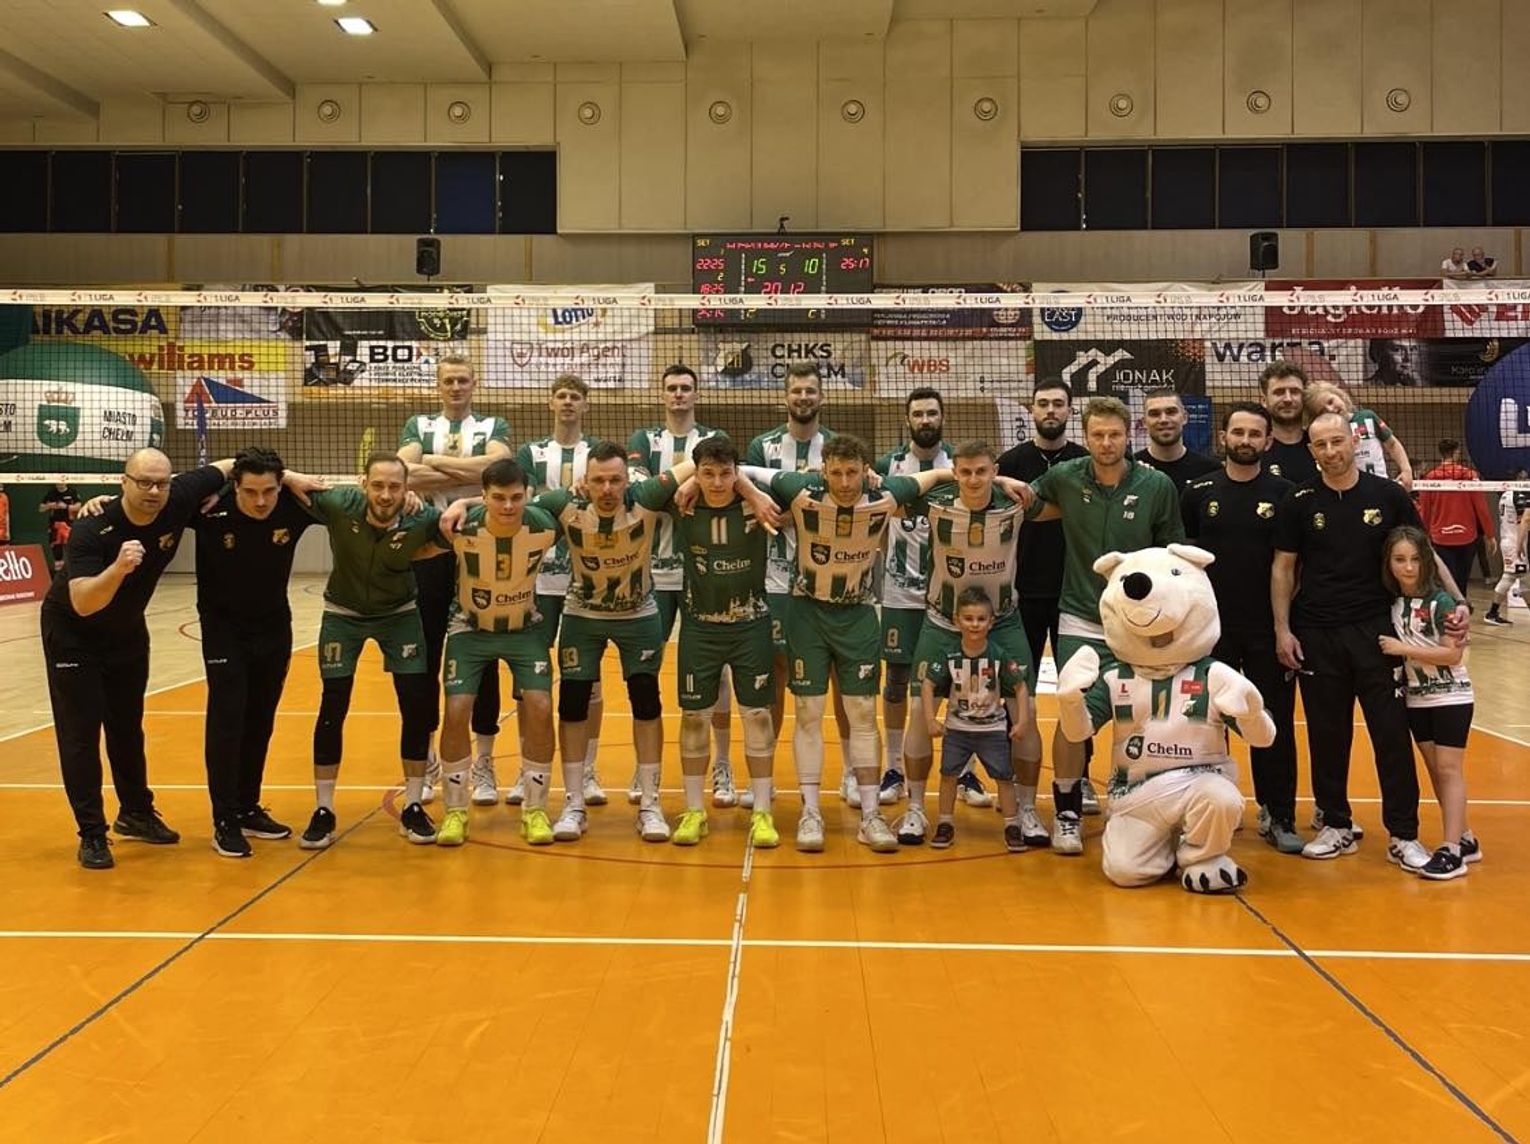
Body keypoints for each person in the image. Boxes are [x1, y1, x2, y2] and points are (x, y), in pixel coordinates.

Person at [1271, 412, 1466, 869]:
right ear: (1311, 451)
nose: (1330, 451)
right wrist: (1283, 629)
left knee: (1391, 737)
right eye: (1321, 445)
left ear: (1353, 442)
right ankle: (1336, 824)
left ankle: (1403, 834)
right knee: (1327, 734)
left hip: (1379, 633)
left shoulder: (1387, 495)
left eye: (1337, 441)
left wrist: (1459, 601)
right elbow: (1283, 567)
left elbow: (1423, 552)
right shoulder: (1299, 500)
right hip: (1317, 633)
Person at [743, 436, 950, 853]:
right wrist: (751, 495)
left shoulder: (885, 494)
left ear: (865, 470)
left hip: (858, 615)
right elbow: (742, 470)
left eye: (852, 472)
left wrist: (1002, 479)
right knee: (808, 713)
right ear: (823, 471)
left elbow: (938, 476)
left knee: (862, 713)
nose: (843, 482)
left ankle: (871, 815)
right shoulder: (799, 489)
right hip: (807, 615)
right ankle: (811, 812)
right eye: (835, 472)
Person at [41, 449, 245, 869]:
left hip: (127, 632)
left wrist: (291, 478)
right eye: (144, 482)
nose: (154, 491)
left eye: (162, 483)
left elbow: (233, 465)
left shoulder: (177, 498)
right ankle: (92, 833)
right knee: (81, 734)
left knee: (127, 727)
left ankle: (135, 813)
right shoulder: (93, 527)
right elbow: (83, 602)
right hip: (74, 634)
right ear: (124, 482)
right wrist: (118, 569)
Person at [1023, 396, 1184, 854]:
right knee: (1073, 714)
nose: (1107, 442)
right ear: (1086, 436)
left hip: (1138, 625)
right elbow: (1028, 501)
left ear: (1128, 435)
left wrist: (1167, 625)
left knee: (1143, 718)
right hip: (1080, 618)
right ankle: (1067, 813)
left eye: (1115, 434)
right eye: (1098, 435)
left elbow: (1172, 557)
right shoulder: (1066, 477)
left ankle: (1139, 806)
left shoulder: (1156, 486)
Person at [893, 441, 1042, 847]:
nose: (974, 479)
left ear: (994, 471)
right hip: (942, 623)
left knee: (1026, 711)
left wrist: (1009, 483)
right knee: (919, 713)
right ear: (955, 472)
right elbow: (892, 492)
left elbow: (1058, 503)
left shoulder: (1016, 502)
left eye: (982, 471)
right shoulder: (936, 502)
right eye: (965, 472)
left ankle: (1027, 809)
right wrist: (942, 475)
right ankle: (916, 809)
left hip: (1003, 622)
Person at [539, 441, 687, 844]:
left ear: (627, 480)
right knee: (572, 705)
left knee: (646, 702)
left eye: (615, 480)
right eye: (599, 480)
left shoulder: (646, 497)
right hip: (581, 615)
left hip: (638, 614)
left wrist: (702, 484)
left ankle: (650, 803)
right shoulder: (562, 503)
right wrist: (462, 504)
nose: (607, 489)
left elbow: (697, 460)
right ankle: (573, 804)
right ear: (584, 482)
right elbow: (510, 503)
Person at [299, 453, 447, 851]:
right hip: (342, 614)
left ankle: (413, 804)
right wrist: (292, 475)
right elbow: (285, 485)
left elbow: (455, 528)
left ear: (407, 489)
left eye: (395, 487)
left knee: (415, 705)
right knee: (333, 705)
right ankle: (324, 809)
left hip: (399, 615)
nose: (385, 495)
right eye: (378, 485)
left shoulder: (421, 518)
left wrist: (461, 505)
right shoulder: (339, 504)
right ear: (363, 484)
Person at [650, 436, 783, 848]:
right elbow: (643, 488)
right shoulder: (681, 502)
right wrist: (690, 478)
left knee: (758, 715)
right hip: (699, 628)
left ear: (736, 472)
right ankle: (694, 811)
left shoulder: (760, 502)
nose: (718, 482)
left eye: (726, 474)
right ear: (696, 473)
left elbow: (799, 482)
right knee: (694, 717)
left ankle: (762, 812)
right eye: (708, 474)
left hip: (751, 626)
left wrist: (749, 488)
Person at [188, 448, 320, 858]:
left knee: (261, 719)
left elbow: (355, 502)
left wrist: (292, 478)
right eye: (250, 492)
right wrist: (101, 502)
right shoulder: (210, 508)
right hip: (224, 632)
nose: (261, 501)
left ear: (280, 486)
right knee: (227, 720)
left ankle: (247, 806)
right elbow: (161, 497)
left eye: (269, 491)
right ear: (235, 486)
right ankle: (224, 819)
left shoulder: (294, 506)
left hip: (274, 629)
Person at [1181, 403, 1300, 852]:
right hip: (1210, 633)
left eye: (1254, 434)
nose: (1245, 440)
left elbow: (1291, 565)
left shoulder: (1286, 494)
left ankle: (1278, 812)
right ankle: (1215, 808)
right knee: (1207, 723)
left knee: (1272, 722)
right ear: (1223, 437)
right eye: (1238, 432)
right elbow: (1184, 561)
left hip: (1266, 630)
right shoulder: (1198, 492)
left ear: (1268, 441)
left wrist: (1284, 627)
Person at [398, 353, 513, 807]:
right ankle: (426, 758)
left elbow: (497, 471)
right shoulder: (418, 424)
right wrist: (469, 469)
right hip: (428, 550)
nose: (456, 387)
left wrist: (432, 464)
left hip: (478, 547)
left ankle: (484, 762)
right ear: (439, 384)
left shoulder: (492, 426)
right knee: (425, 654)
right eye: (449, 380)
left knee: (483, 651)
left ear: (474, 383)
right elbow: (404, 473)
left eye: (463, 380)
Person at [432, 459, 563, 847]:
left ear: (528, 495)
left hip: (524, 629)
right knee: (457, 710)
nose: (508, 506)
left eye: (516, 498)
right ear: (484, 496)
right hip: (470, 628)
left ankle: (535, 809)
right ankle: (456, 811)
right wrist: (461, 504)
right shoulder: (460, 526)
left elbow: (579, 495)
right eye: (499, 498)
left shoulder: (543, 523)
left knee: (540, 706)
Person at [744, 362, 854, 804]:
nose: (804, 397)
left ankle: (851, 773)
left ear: (821, 396)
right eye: (797, 390)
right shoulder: (764, 446)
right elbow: (751, 499)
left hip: (828, 577)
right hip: (775, 578)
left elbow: (845, 502)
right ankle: (764, 780)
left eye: (811, 390)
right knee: (775, 672)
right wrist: (790, 513)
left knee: (839, 674)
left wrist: (792, 514)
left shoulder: (837, 447)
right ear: (785, 396)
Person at [626, 363, 733, 807]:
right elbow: (643, 495)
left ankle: (723, 766)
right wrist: (688, 487)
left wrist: (675, 490)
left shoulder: (715, 439)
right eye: (671, 388)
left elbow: (719, 493)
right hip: (653, 573)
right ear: (662, 394)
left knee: (717, 671)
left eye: (686, 388)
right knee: (645, 671)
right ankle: (644, 767)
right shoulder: (642, 440)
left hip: (704, 572)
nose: (678, 394)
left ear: (696, 394)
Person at [997, 380, 1090, 816]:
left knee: (1078, 690)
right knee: (1017, 691)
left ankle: (1080, 778)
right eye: (1043, 404)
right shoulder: (1011, 463)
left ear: (1070, 411)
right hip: (1022, 593)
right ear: (1031, 410)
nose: (1050, 410)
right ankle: (1011, 775)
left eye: (1058, 404)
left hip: (1074, 593)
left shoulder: (1085, 462)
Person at [512, 374, 605, 808]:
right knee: (528, 679)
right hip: (538, 579)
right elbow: (526, 507)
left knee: (588, 678)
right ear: (551, 403)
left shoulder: (597, 453)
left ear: (586, 404)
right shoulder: (530, 453)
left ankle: (587, 770)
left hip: (585, 578)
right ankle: (524, 769)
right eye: (562, 396)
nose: (568, 402)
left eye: (575, 397)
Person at [1378, 526, 1478, 880]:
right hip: (1417, 699)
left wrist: (1402, 648)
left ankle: (1451, 851)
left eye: (1416, 559)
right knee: (1436, 770)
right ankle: (1465, 838)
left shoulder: (1443, 602)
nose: (1408, 567)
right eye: (1400, 560)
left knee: (1449, 770)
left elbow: (1452, 655)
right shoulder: (1392, 602)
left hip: (1451, 695)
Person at [873, 387, 952, 807]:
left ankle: (962, 770)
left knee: (956, 680)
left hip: (949, 595)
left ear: (942, 417)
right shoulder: (888, 465)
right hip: (900, 591)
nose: (925, 420)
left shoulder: (957, 463)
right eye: (918, 414)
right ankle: (894, 767)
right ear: (907, 420)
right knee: (897, 681)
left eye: (931, 413)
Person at [920, 587, 1031, 852]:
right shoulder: (949, 654)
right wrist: (930, 719)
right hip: (957, 730)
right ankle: (945, 823)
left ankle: (1012, 825)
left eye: (981, 619)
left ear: (991, 622)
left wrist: (1022, 721)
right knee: (948, 776)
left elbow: (1020, 686)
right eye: (968, 618)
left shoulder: (998, 654)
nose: (974, 624)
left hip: (992, 730)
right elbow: (927, 684)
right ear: (957, 620)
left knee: (1004, 778)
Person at [1416, 439, 1495, 597]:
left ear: (1441, 453)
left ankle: (1451, 608)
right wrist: (1490, 535)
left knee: (1446, 581)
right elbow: (1481, 507)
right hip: (1466, 536)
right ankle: (1461, 605)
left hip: (1440, 537)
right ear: (1457, 453)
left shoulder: (1430, 478)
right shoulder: (1469, 475)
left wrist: (1423, 535)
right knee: (1462, 581)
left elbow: (1425, 511)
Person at [1305, 383, 1413, 489]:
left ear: (1339, 395)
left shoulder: (1367, 417)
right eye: (1323, 411)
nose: (1331, 409)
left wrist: (1406, 470)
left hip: (1380, 486)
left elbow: (1392, 444)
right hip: (1347, 490)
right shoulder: (1327, 433)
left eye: (1330, 401)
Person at [1133, 388, 1219, 493]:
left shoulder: (1210, 470)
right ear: (1144, 422)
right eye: (1155, 414)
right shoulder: (1130, 469)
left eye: (1171, 412)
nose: (1163, 420)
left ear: (1185, 417)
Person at [1484, 469, 1530, 626]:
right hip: (1516, 543)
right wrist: (1520, 544)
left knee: (1524, 578)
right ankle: (1492, 613)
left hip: (1508, 539)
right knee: (1511, 576)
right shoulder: (1520, 496)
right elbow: (1525, 520)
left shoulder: (1505, 494)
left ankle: (1492, 613)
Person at [1259, 363, 1316, 484]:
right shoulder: (1256, 449)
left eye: (1295, 392)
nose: (1288, 399)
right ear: (1264, 401)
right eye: (1279, 392)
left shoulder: (1320, 445)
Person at [40, 480, 80, 570]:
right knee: (56, 548)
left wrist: (66, 507)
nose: (60, 484)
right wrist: (50, 505)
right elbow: (41, 508)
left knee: (71, 546)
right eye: (58, 482)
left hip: (68, 523)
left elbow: (78, 507)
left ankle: (72, 569)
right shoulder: (51, 493)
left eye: (62, 481)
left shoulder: (72, 492)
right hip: (55, 525)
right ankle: (58, 570)